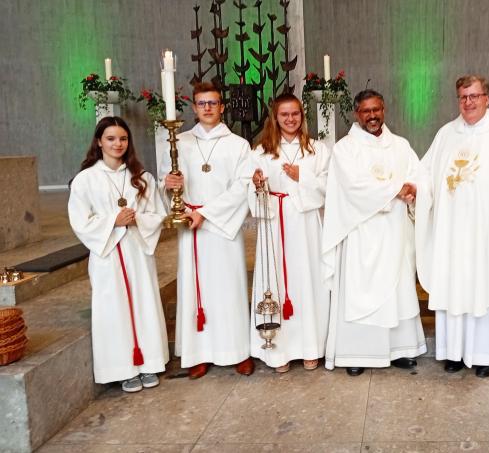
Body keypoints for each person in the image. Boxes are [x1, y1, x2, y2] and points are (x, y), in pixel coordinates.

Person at [416, 75, 489, 378]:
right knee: (454, 286)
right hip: (452, 232)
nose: (468, 102)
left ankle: (486, 354)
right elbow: (425, 172)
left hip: (487, 231)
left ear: (486, 98)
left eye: (474, 96)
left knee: (487, 286)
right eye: (463, 97)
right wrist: (415, 187)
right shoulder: (446, 134)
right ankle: (453, 352)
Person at [321, 89, 426, 376]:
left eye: (376, 110)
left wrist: (414, 189)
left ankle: (400, 350)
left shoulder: (401, 146)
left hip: (395, 232)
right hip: (361, 234)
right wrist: (395, 189)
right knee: (360, 291)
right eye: (366, 111)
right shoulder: (345, 148)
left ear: (384, 110)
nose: (372, 116)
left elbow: (418, 176)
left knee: (397, 289)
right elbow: (354, 187)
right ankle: (356, 353)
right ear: (357, 114)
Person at [68, 116, 169, 393]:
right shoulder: (85, 179)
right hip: (107, 254)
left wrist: (138, 220)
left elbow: (157, 214)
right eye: (111, 138)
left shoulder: (141, 177)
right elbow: (80, 221)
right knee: (113, 308)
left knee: (143, 302)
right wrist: (113, 220)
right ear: (99, 141)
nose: (117, 144)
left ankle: (149, 362)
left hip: (137, 250)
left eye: (123, 139)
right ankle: (123, 368)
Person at [161, 82, 254, 379]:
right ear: (194, 108)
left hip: (222, 227)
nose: (208, 108)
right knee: (195, 288)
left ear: (222, 107)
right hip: (191, 224)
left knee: (230, 288)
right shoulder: (180, 142)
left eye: (213, 103)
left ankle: (237, 351)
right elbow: (169, 181)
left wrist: (206, 213)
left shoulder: (238, 144)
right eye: (202, 103)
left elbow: (243, 186)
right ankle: (198, 353)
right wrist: (170, 187)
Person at [248, 93, 331, 372]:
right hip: (275, 222)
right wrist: (258, 185)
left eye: (295, 113)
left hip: (306, 222)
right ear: (275, 117)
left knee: (307, 280)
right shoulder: (261, 151)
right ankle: (278, 352)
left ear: (302, 116)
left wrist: (302, 177)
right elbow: (251, 188)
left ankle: (311, 347)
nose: (290, 119)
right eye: (284, 114)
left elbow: (330, 185)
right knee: (277, 281)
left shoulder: (317, 149)